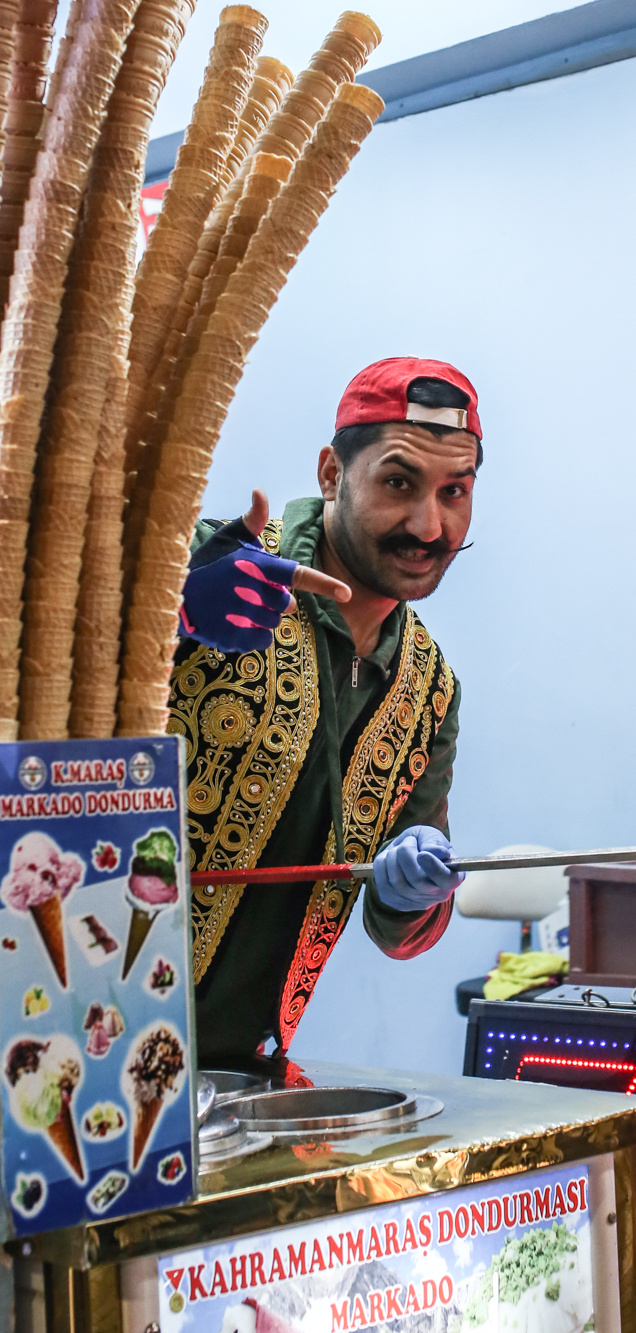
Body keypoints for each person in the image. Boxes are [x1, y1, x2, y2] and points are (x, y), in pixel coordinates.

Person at [168, 357, 481, 1060]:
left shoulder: (430, 688)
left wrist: (413, 893)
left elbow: (400, 934)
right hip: (70, 1048)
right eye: (399, 482)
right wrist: (165, 605)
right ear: (332, 475)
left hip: (243, 1080)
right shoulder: (218, 564)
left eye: (454, 491)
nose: (429, 525)